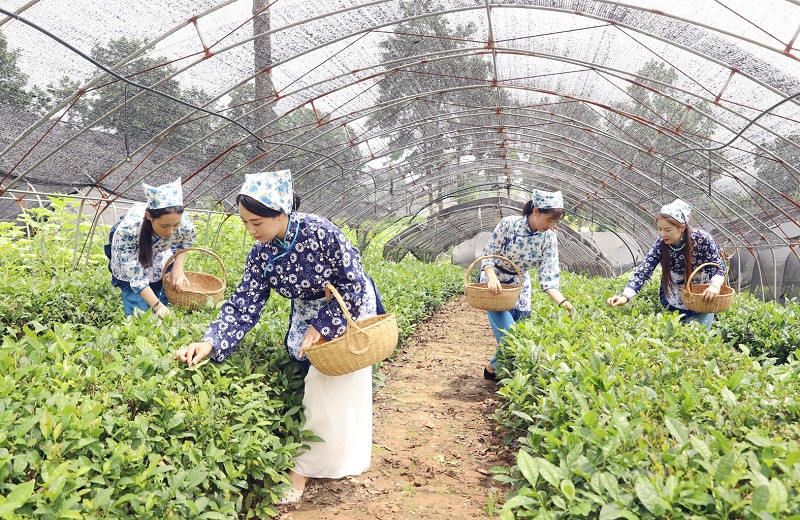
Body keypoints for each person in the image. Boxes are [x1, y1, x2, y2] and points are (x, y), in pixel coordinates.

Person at [174, 169, 384, 506]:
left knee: (328, 383)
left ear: (282, 212)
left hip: (346, 306)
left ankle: (303, 469)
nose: (251, 230)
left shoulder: (321, 232)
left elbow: (354, 282)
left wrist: (323, 327)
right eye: (245, 223)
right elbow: (244, 303)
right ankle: (331, 455)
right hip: (307, 312)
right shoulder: (261, 254)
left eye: (256, 222)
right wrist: (210, 341)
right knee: (321, 384)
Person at [480, 189, 572, 381]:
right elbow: (488, 255)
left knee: (520, 334)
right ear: (536, 211)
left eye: (555, 222)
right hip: (495, 284)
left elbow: (548, 276)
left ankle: (492, 369)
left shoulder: (548, 238)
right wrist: (491, 277)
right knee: (510, 335)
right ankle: (512, 376)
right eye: (549, 220)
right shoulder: (508, 225)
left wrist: (563, 302)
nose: (551, 226)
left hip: (520, 285)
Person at [606, 198, 725, 329]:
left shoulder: (702, 239)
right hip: (675, 293)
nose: (663, 234)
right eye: (660, 229)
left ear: (682, 227)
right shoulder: (660, 245)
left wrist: (714, 286)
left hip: (701, 294)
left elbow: (717, 267)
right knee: (675, 333)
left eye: (667, 230)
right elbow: (644, 270)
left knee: (699, 334)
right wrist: (626, 297)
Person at [107, 178, 195, 317]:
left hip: (158, 249)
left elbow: (185, 242)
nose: (170, 231)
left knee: (158, 287)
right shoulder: (128, 232)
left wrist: (178, 268)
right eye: (164, 226)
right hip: (133, 250)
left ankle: (158, 307)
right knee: (138, 312)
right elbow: (136, 276)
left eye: (175, 225)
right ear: (149, 216)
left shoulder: (184, 224)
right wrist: (157, 306)